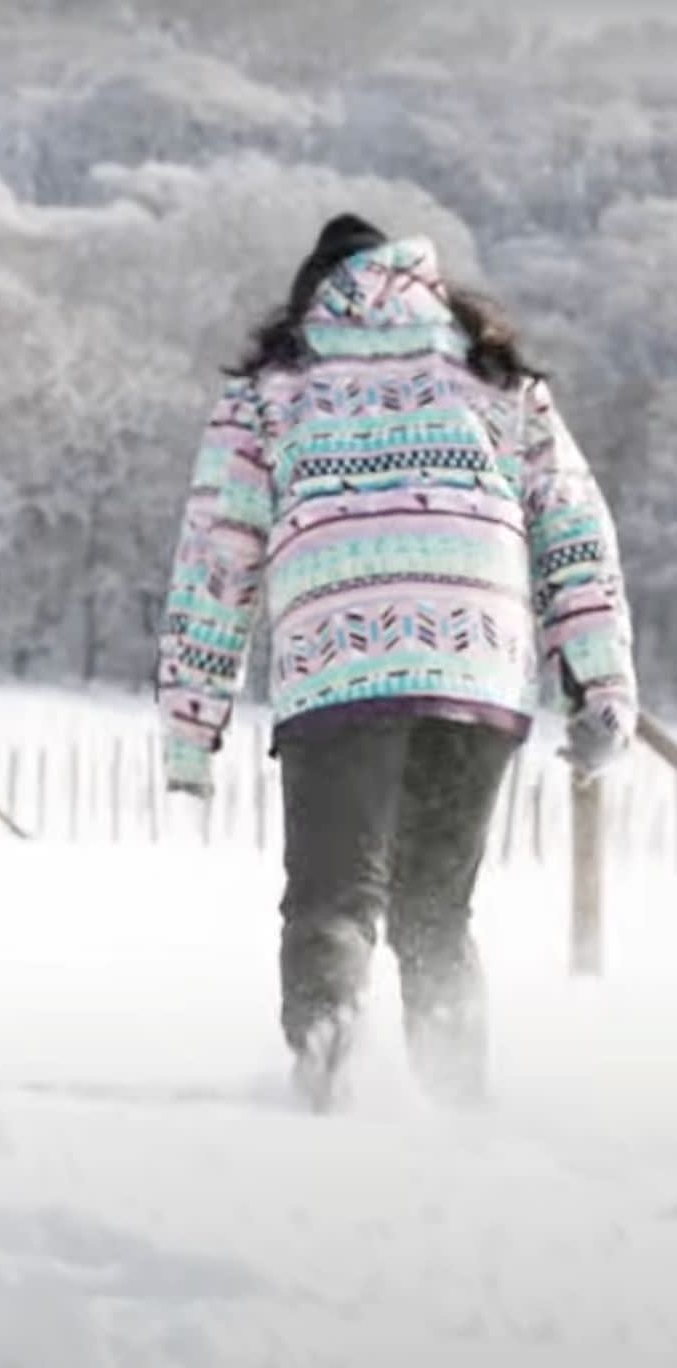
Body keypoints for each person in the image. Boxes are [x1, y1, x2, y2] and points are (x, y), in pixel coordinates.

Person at [158, 214, 636, 1109]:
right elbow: (576, 533)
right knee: (436, 911)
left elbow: (217, 562)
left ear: (311, 295)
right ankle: (455, 1109)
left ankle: (328, 1090)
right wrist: (601, 683)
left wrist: (191, 724)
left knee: (334, 900)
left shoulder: (271, 389)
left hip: (341, 660)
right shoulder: (497, 378)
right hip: (477, 665)